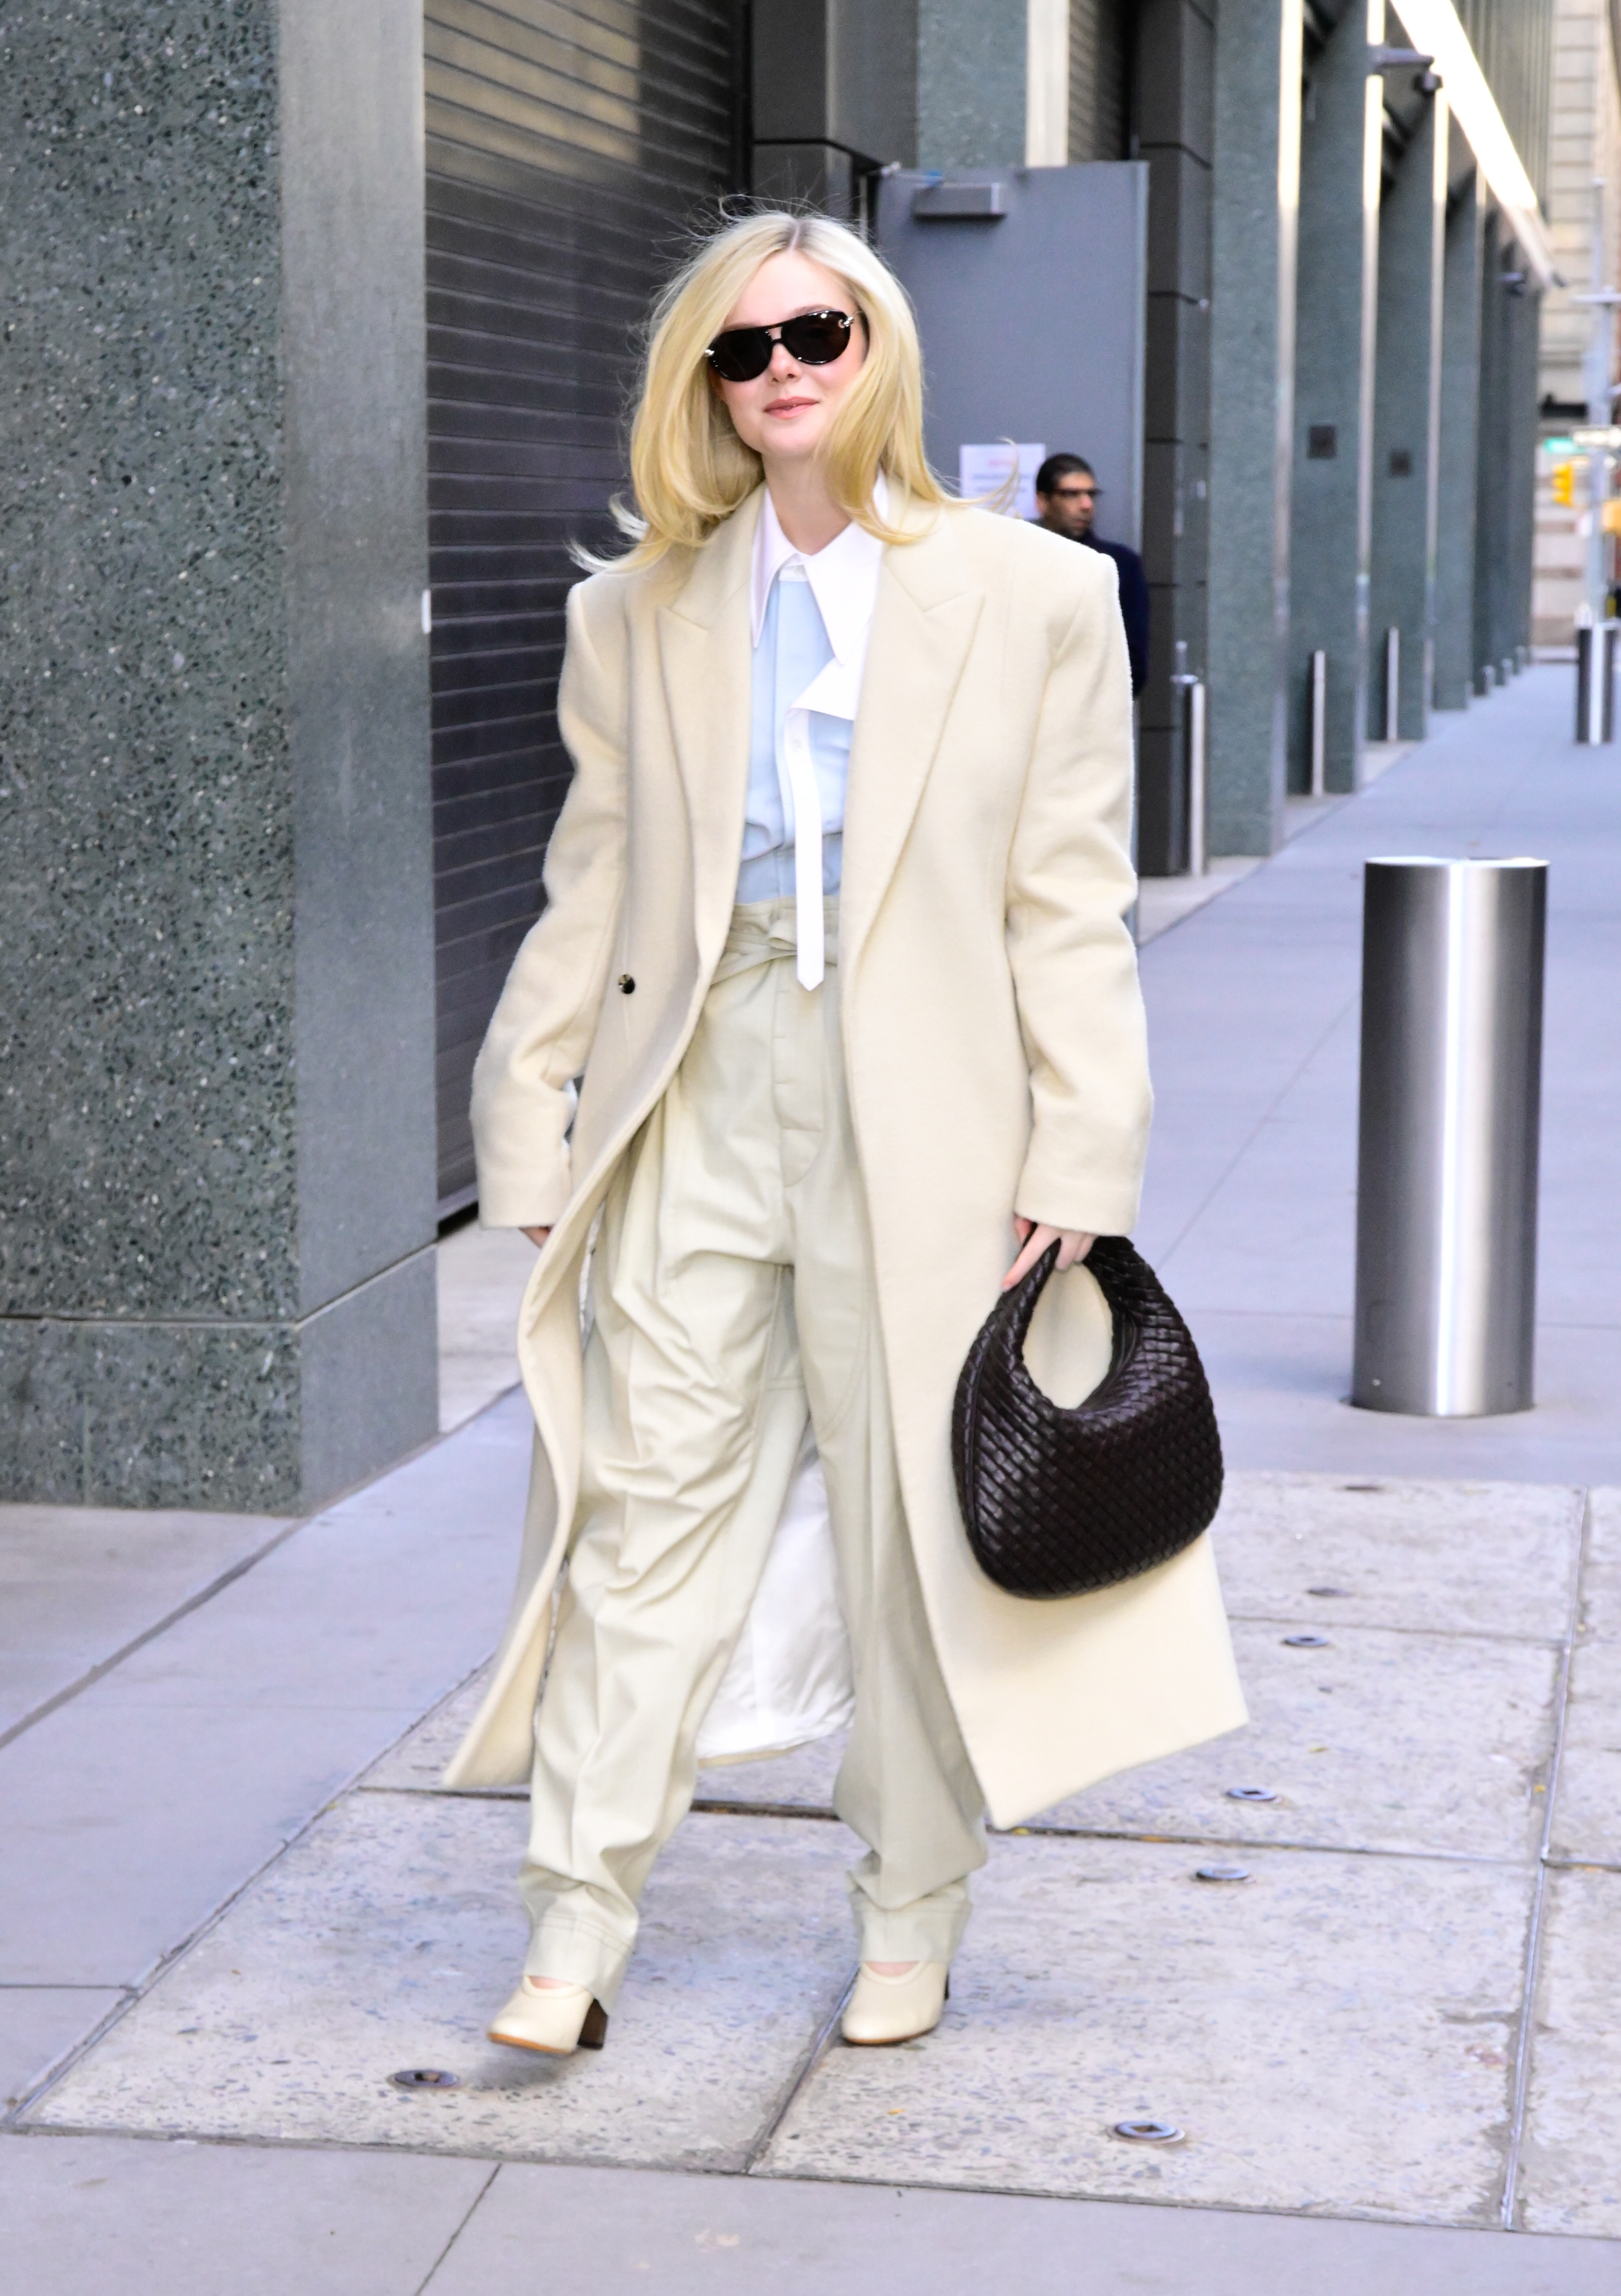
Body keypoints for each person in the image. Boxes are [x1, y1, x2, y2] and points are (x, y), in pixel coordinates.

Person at [444, 210, 1244, 2060]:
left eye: (816, 331)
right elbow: (589, 886)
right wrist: (525, 1114)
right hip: (700, 1084)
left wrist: (1084, 1147)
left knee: (910, 1532)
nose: (783, 368)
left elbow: (1068, 899)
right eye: (743, 348)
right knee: (642, 1512)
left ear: (877, 345)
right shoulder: (633, 609)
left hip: (931, 1108)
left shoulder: (1033, 596)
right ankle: (573, 1922)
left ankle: (908, 1913)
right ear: (705, 387)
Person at [1034, 452, 1150, 698]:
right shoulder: (1022, 558)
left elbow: (1134, 662)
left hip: (1094, 704)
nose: (1086, 505)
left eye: (1091, 494)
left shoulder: (1119, 564)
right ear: (1043, 501)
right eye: (1071, 494)